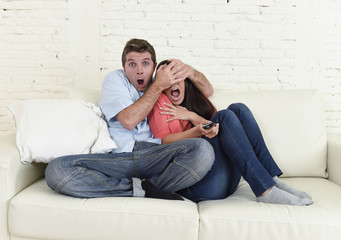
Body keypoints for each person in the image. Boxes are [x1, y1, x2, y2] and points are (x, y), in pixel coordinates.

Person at [45, 39, 215, 201]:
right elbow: (128, 120)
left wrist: (190, 72)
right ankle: (142, 189)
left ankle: (145, 188)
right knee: (56, 170)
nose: (139, 70)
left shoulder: (163, 84)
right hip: (119, 158)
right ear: (124, 67)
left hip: (154, 155)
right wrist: (158, 86)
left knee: (203, 149)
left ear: (154, 67)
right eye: (132, 64)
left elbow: (207, 90)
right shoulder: (117, 80)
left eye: (146, 63)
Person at [148, 60, 313, 206]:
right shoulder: (161, 103)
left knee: (238, 109)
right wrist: (195, 129)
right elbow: (163, 142)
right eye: (167, 81)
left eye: (177, 77)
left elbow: (215, 124)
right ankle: (265, 191)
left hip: (224, 180)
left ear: (185, 80)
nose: (173, 84)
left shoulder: (194, 99)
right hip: (201, 187)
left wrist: (192, 116)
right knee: (224, 116)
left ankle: (271, 180)